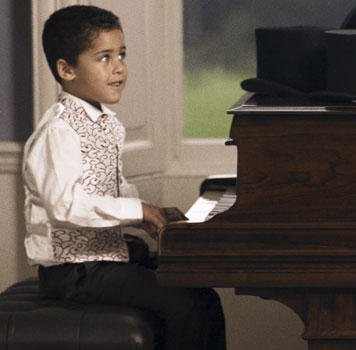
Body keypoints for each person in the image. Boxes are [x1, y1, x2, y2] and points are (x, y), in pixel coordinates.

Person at [22, 5, 226, 350]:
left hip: (102, 257)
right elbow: (65, 206)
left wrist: (153, 212)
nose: (118, 67)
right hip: (72, 272)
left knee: (203, 292)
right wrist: (139, 211)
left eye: (122, 54)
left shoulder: (106, 123)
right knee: (183, 303)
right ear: (66, 69)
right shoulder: (59, 131)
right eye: (104, 57)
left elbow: (110, 189)